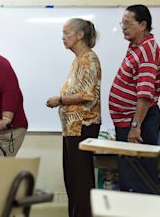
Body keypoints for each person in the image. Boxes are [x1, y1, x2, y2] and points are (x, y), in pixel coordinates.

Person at [46, 18, 101, 217]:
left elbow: (88, 95)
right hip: (72, 128)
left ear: (80, 35)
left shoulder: (88, 58)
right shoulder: (78, 59)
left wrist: (60, 99)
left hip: (82, 126)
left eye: (67, 32)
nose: (63, 37)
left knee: (81, 181)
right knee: (72, 179)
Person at [108, 5, 160, 194]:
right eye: (122, 23)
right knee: (129, 177)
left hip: (139, 123)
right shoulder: (136, 46)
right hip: (129, 121)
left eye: (127, 23)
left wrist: (135, 126)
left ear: (142, 25)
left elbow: (145, 94)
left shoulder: (147, 50)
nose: (123, 27)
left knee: (139, 180)